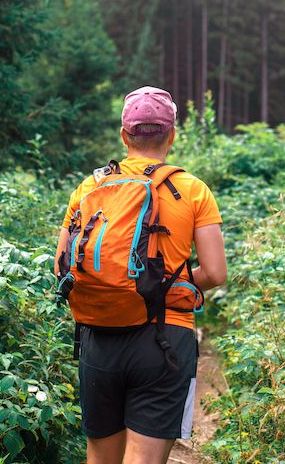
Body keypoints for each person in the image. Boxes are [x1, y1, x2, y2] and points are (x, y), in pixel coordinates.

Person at [54, 86, 227, 464]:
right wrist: (163, 286)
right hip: (166, 338)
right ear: (172, 135)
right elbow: (215, 272)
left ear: (124, 135)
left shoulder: (90, 187)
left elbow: (62, 266)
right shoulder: (193, 190)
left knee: (100, 458)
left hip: (99, 338)